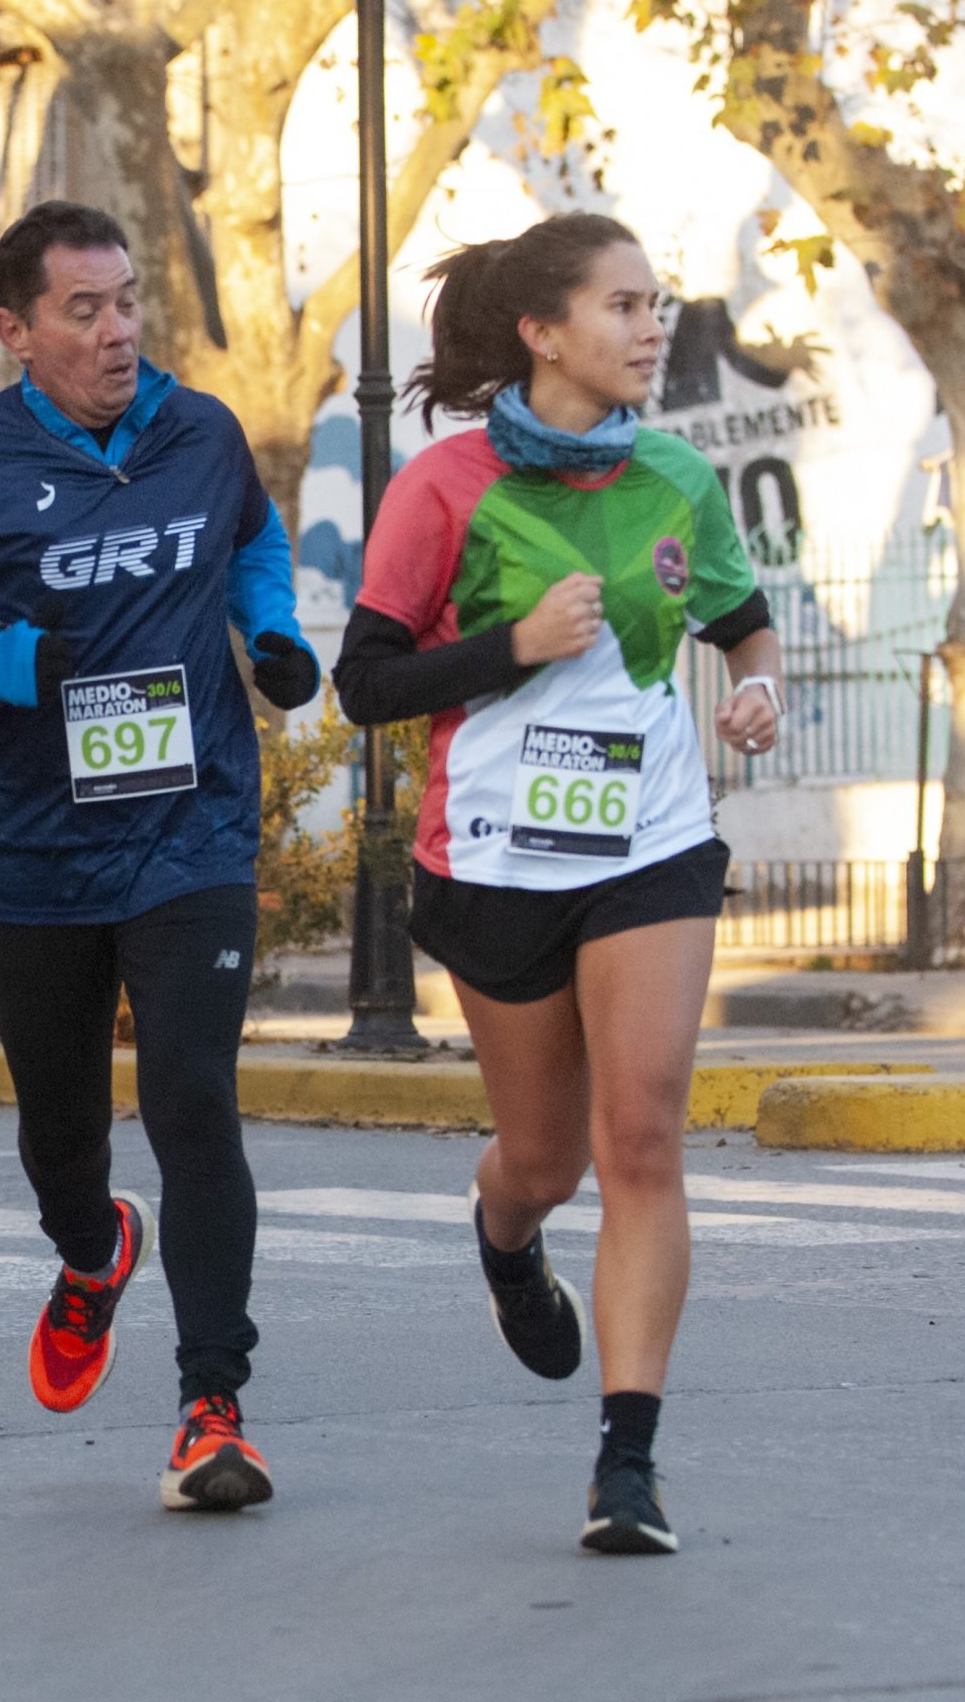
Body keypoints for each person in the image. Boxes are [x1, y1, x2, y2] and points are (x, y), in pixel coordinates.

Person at [0, 201, 321, 1512]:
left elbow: (251, 540)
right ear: (16, 330)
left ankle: (214, 1406)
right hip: (40, 855)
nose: (117, 335)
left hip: (193, 831)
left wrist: (269, 630)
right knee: (62, 1132)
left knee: (191, 1097)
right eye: (83, 312)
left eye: (126, 305)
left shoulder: (200, 431)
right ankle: (90, 1246)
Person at [332, 211, 784, 1556]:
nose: (655, 329)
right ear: (543, 331)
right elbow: (366, 686)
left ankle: (627, 1460)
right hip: (493, 861)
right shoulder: (447, 486)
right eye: (626, 306)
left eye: (660, 303)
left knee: (641, 1136)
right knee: (546, 1157)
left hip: (650, 846)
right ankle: (504, 1232)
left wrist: (757, 686)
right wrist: (508, 647)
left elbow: (743, 622)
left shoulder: (674, 478)